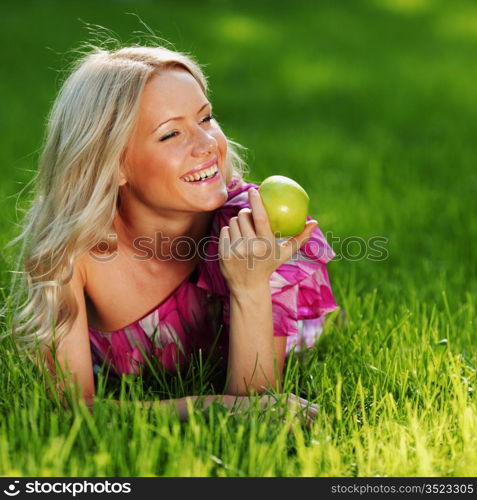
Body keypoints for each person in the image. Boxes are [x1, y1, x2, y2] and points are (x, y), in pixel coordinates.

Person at [3, 44, 339, 425]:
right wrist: (211, 405)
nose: (207, 144)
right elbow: (71, 411)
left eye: (206, 118)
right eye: (170, 134)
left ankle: (321, 320)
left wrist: (250, 287)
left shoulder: (254, 231)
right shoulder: (70, 255)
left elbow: (259, 402)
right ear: (112, 165)